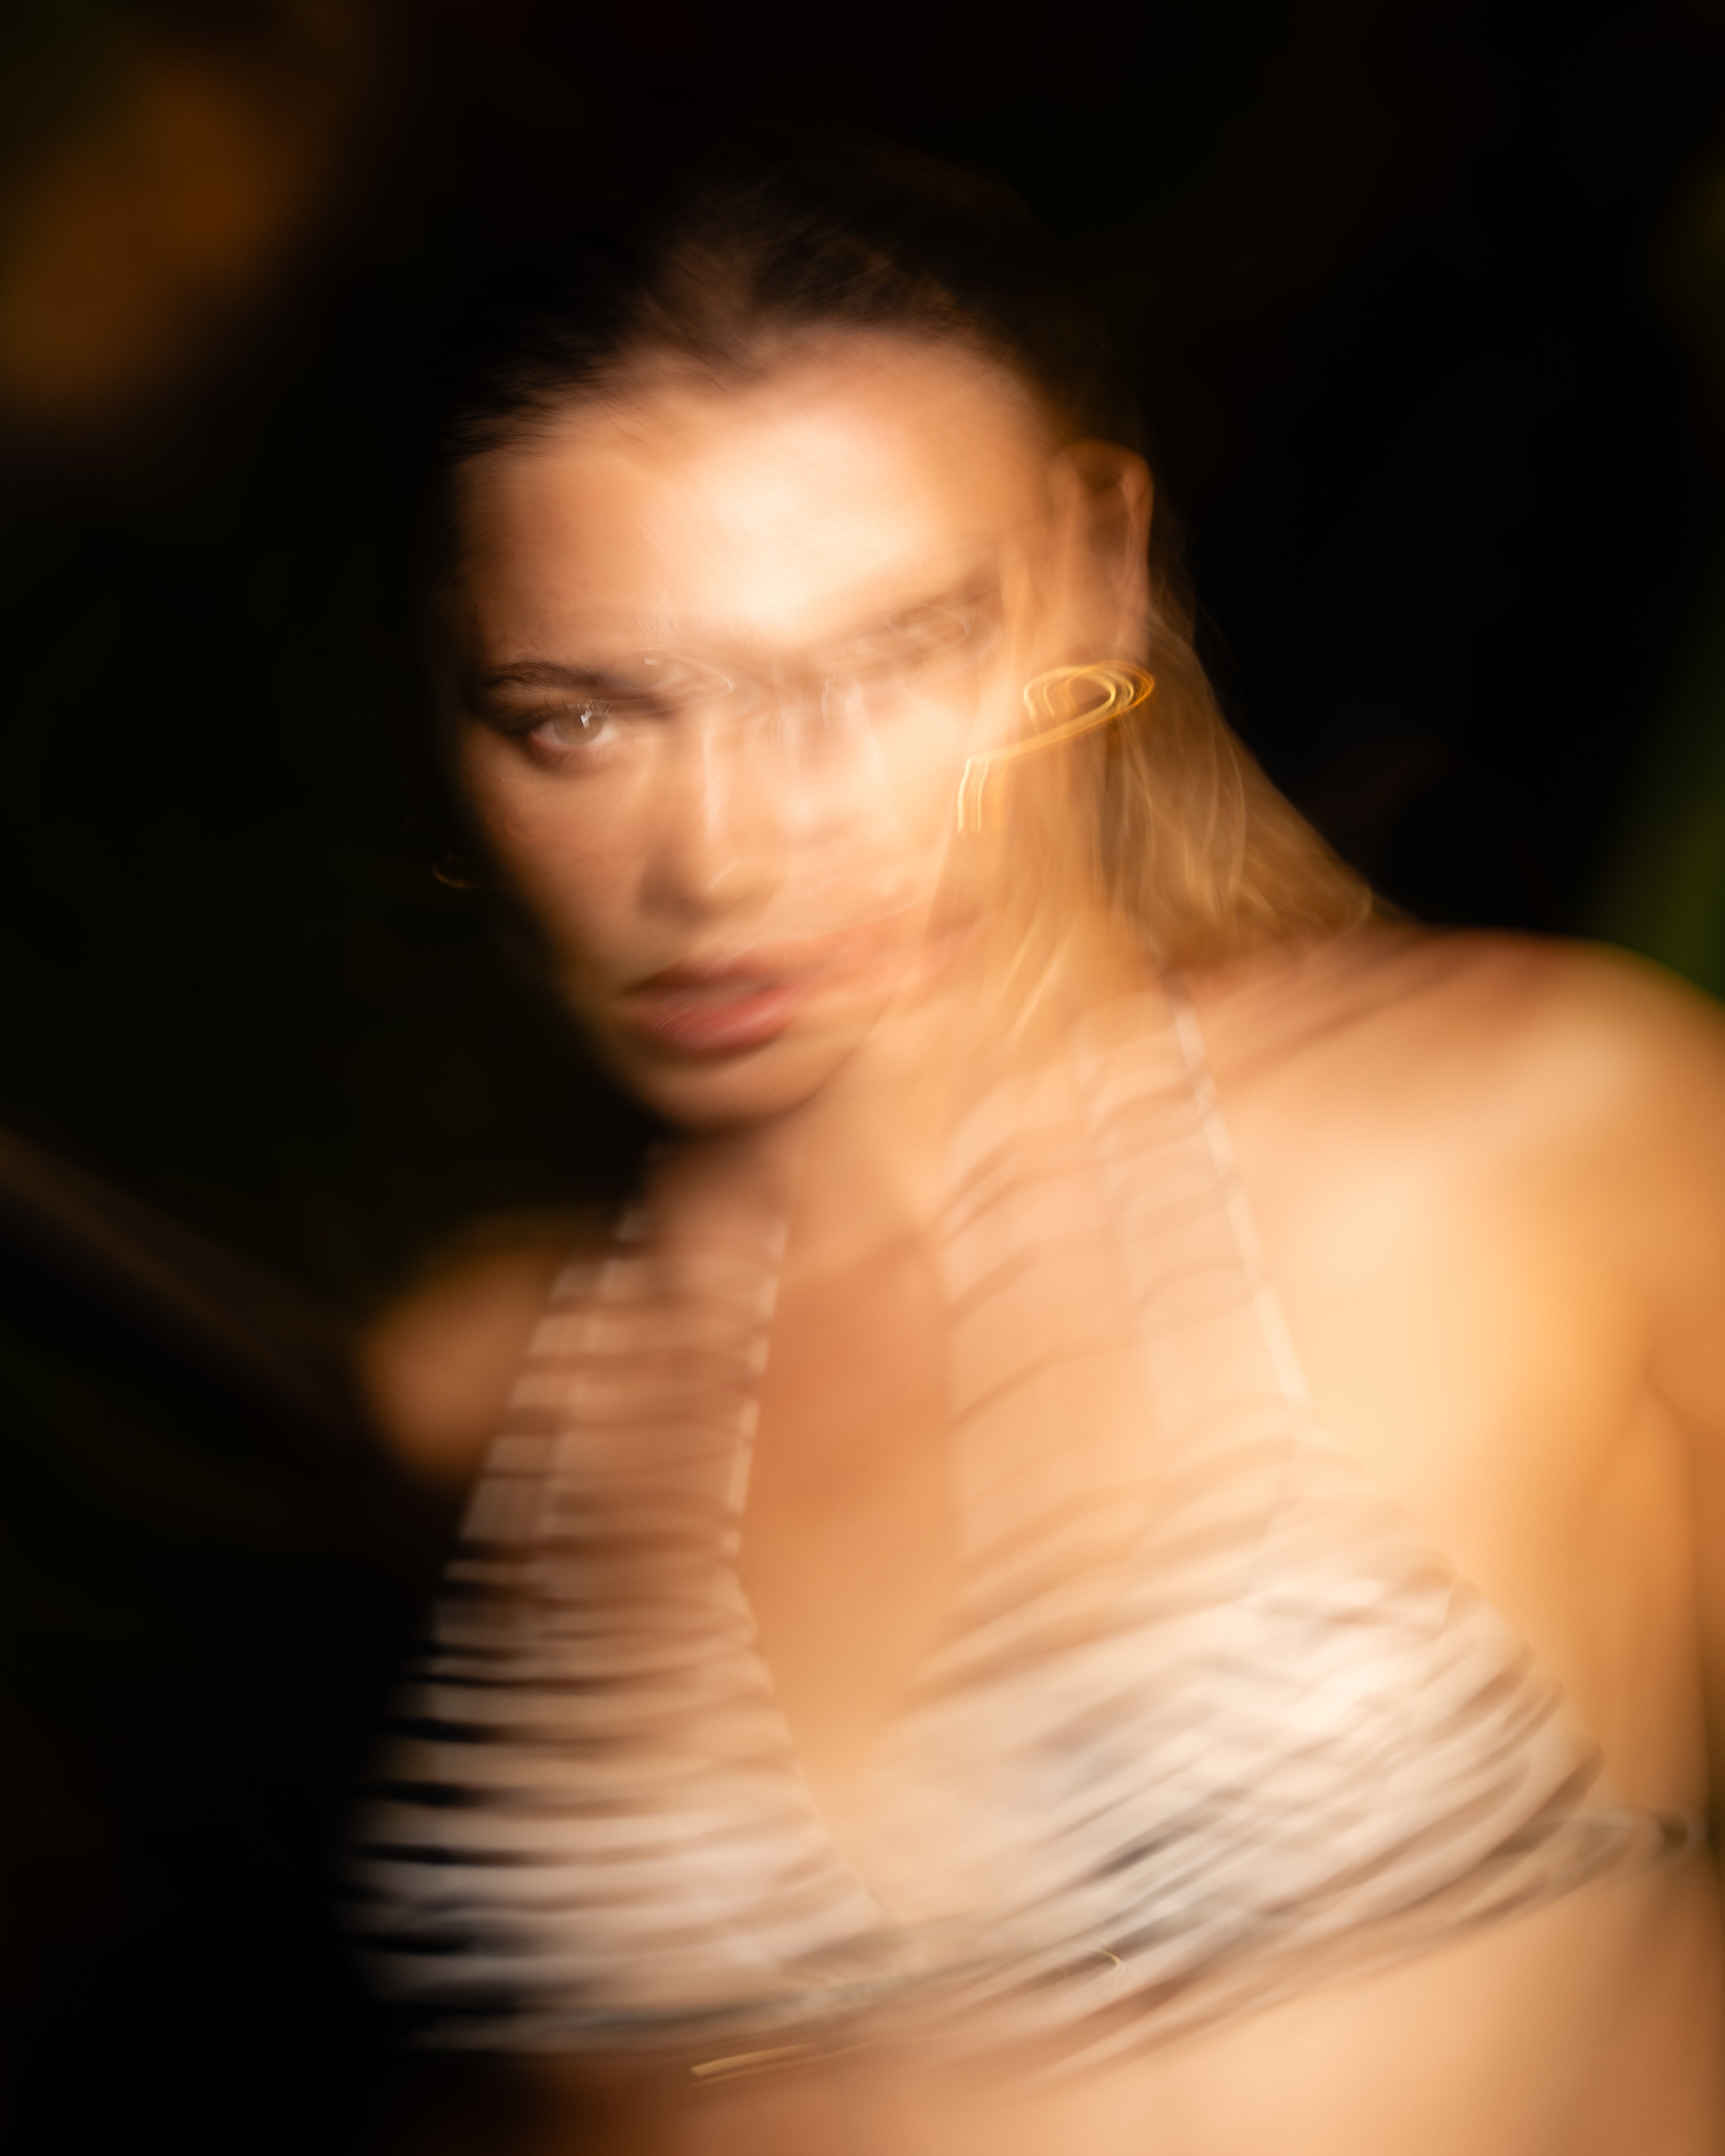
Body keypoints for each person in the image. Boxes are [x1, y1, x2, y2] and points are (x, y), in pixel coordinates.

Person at [345, 132, 1725, 2154]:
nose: (719, 856)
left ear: (1095, 575)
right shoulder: (509, 1399)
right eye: (583, 716)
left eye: (882, 658)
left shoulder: (1520, 1147)